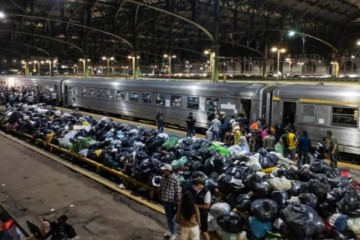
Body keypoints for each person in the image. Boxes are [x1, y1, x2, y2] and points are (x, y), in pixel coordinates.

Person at [159, 164, 182, 240]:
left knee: (172, 218)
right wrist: (159, 193)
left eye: (164, 170)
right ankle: (169, 230)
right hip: (165, 200)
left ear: (168, 171)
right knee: (168, 217)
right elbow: (161, 186)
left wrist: (177, 204)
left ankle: (173, 233)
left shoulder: (174, 178)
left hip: (171, 202)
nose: (163, 171)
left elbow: (178, 191)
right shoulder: (163, 177)